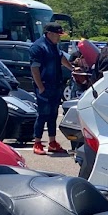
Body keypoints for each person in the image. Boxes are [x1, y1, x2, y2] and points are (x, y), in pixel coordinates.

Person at [28, 20, 72, 156]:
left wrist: (72, 68)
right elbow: (34, 69)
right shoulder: (38, 47)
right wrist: (40, 87)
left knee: (53, 114)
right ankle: (37, 142)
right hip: (44, 86)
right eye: (57, 35)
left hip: (56, 85)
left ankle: (52, 142)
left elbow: (61, 57)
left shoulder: (54, 46)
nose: (59, 37)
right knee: (43, 114)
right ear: (49, 34)